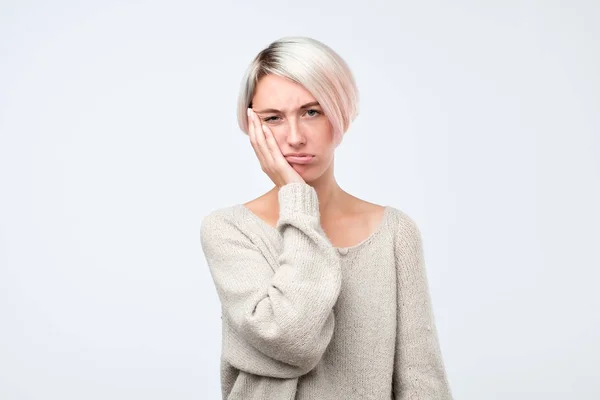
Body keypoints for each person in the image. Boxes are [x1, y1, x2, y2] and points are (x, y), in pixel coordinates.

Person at [200, 36, 453, 399]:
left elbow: (421, 380)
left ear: (340, 115)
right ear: (253, 128)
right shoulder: (229, 230)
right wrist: (297, 199)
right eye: (273, 119)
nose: (294, 137)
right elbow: (291, 338)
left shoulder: (395, 234)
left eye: (311, 112)